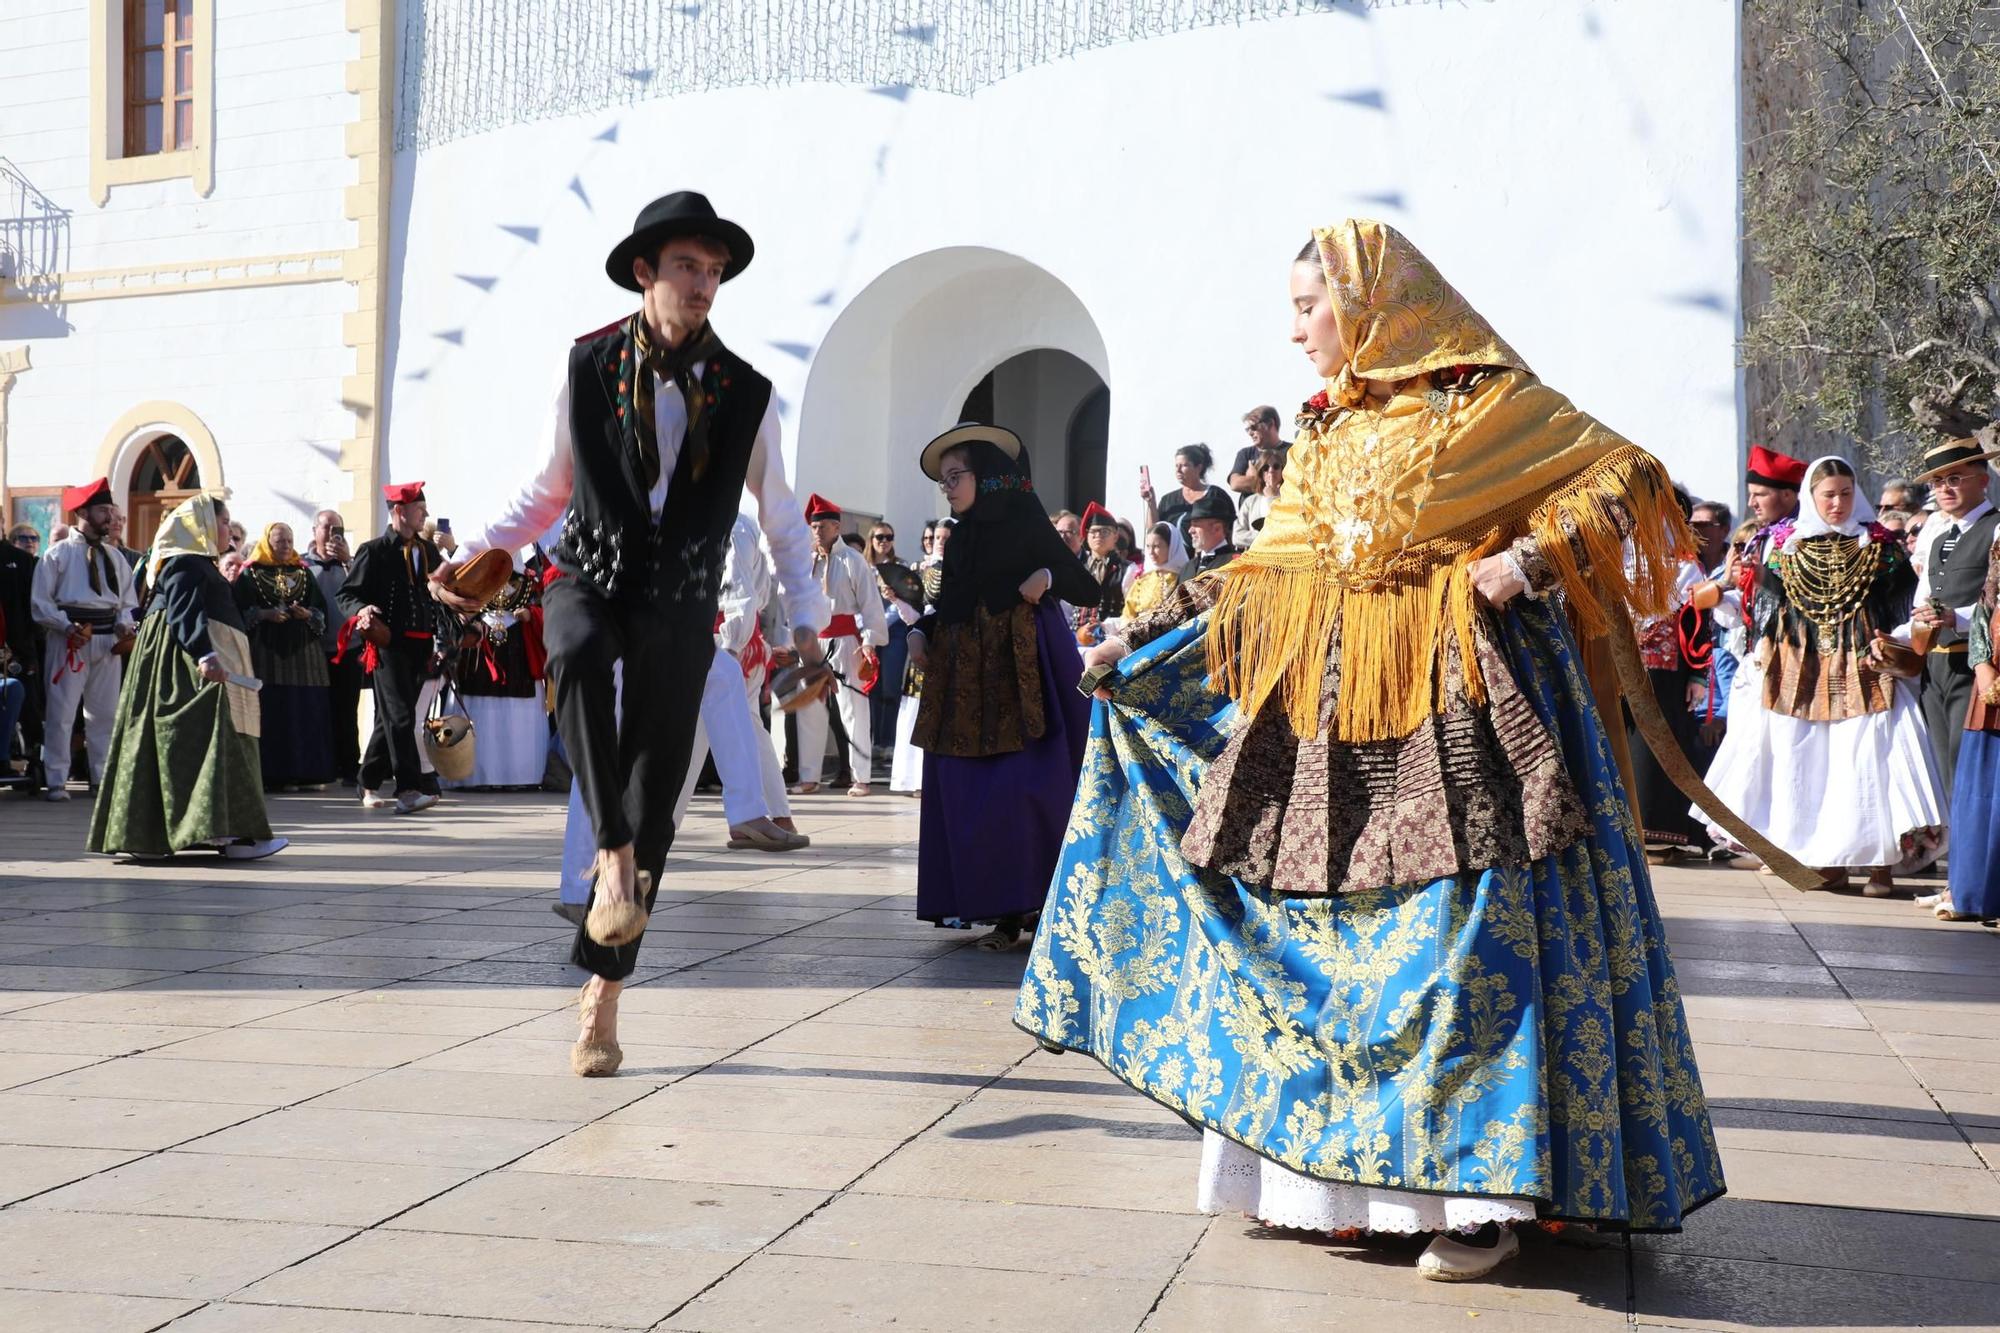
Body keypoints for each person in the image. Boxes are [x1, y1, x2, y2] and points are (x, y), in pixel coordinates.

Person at [1018, 220, 1722, 1281]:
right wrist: (1142, 631)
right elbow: (1265, 571)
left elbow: (1625, 477)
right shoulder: (1325, 434)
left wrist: (1526, 560)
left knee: (1460, 951)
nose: (1295, 329)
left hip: (1464, 705)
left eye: (1309, 305)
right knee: (1328, 949)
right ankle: (1325, 1182)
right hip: (1326, 716)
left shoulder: (1483, 404)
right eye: (1294, 309)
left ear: (1371, 302)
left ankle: (1475, 1202)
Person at [438, 191, 828, 1078]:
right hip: (591, 574)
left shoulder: (749, 393)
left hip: (681, 601)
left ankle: (601, 999)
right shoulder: (584, 365)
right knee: (568, 650)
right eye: (689, 266)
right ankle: (608, 849)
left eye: (716, 270)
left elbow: (779, 517)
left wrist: (806, 624)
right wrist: (471, 554)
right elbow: (544, 489)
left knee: (658, 796)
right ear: (646, 271)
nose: (706, 285)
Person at [1699, 457, 1943, 894]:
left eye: (1845, 494)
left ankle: (1880, 864)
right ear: (1811, 497)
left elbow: (1903, 610)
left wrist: (1895, 642)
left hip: (1864, 666)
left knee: (1868, 761)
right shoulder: (1784, 546)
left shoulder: (1880, 547)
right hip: (1801, 669)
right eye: (1828, 495)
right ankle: (1824, 858)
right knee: (1810, 765)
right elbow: (1767, 613)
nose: (1837, 503)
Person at [909, 423, 1094, 949]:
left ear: (986, 476)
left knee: (1025, 789)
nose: (947, 487)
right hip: (966, 678)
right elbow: (950, 605)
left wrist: (1048, 579)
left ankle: (1038, 905)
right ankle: (998, 908)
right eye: (943, 480)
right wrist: (923, 630)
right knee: (969, 790)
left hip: (1023, 672)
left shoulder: (1024, 524)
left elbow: (1086, 584)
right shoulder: (961, 537)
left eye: (955, 476)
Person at [87, 494, 285, 861]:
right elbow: (183, 611)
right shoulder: (186, 562)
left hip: (193, 663)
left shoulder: (196, 562)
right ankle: (225, 834)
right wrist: (205, 654)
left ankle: (218, 833)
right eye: (224, 522)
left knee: (207, 742)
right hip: (181, 668)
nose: (228, 529)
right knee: (207, 739)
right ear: (205, 526)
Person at [338, 481, 446, 815]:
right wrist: (361, 611)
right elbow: (347, 594)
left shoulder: (426, 550)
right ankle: (409, 790)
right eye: (419, 509)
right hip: (387, 645)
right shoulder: (373, 550)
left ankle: (366, 781)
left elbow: (441, 590)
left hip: (421, 646)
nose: (425, 514)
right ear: (399, 511)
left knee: (392, 720)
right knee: (400, 716)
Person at [1902, 436, 1999, 803]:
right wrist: (1896, 639)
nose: (1944, 488)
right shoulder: (1939, 535)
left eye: (1955, 478)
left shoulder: (1997, 528)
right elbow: (1923, 601)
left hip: (1977, 666)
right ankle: (1961, 857)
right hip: (1936, 667)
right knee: (1945, 772)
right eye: (1938, 481)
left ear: (1983, 479)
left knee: (1970, 768)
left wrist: (1954, 618)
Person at [30, 477, 138, 801]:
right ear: (84, 512)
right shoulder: (57, 554)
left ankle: (101, 777)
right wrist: (65, 627)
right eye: (103, 510)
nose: (110, 517)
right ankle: (56, 780)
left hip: (107, 643)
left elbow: (126, 603)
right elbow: (41, 603)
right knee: (62, 712)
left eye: (111, 511)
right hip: (70, 641)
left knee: (105, 714)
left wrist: (123, 625)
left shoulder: (115, 557)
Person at [783, 493, 886, 796]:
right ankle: (809, 776)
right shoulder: (804, 562)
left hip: (845, 640)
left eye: (824, 526)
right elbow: (791, 600)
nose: (818, 531)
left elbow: (870, 606)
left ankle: (862, 777)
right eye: (814, 527)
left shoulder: (853, 560)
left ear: (837, 528)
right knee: (810, 708)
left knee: (853, 709)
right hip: (814, 641)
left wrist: (869, 641)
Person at [235, 522, 335, 790]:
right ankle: (275, 775)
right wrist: (264, 614)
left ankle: (311, 772)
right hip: (267, 653)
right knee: (275, 710)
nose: (286, 546)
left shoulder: (303, 573)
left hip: (304, 654)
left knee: (307, 708)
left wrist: (308, 614)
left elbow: (320, 609)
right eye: (280, 541)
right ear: (268, 542)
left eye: (289, 541)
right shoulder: (251, 573)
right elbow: (239, 611)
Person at [1936, 521, 2000, 922]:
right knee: (1983, 795)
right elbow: (1985, 606)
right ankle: (1978, 894)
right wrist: (1982, 667)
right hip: (1994, 677)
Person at [446, 558, 551, 788]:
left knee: (517, 715)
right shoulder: (474, 575)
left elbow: (551, 608)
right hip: (481, 650)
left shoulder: (530, 580)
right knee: (481, 708)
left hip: (519, 652)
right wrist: (469, 620)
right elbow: (455, 606)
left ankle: (520, 776)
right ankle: (475, 774)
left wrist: (532, 614)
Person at [890, 517, 951, 798]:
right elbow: (915, 617)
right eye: (936, 537)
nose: (939, 542)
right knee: (914, 708)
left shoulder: (958, 571)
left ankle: (931, 779)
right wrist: (898, 600)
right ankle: (909, 778)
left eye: (945, 538)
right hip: (923, 643)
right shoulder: (918, 570)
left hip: (948, 645)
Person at [304, 509, 365, 787]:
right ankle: (322, 765)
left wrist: (348, 561)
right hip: (314, 649)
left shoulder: (350, 565)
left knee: (347, 709)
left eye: (336, 528)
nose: (331, 534)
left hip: (349, 647)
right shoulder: (303, 566)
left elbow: (365, 590)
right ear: (315, 530)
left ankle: (350, 767)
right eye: (326, 528)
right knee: (318, 709)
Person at [866, 520, 914, 771]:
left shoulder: (900, 567)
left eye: (889, 537)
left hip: (893, 633)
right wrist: (867, 631)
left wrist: (879, 626)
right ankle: (874, 743)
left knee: (890, 687)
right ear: (871, 540)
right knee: (872, 688)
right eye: (880, 537)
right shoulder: (865, 568)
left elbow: (902, 602)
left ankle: (888, 743)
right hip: (869, 635)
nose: (885, 542)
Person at [1143, 443, 1234, 550]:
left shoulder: (1216, 495)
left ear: (1198, 468)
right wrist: (1151, 502)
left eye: (1184, 465)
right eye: (1176, 466)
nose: (1178, 470)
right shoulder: (1168, 500)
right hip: (1175, 563)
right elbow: (1154, 531)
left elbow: (1229, 530)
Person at [1118, 521, 1185, 620]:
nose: (1151, 552)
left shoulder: (1183, 577)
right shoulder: (1143, 579)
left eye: (1156, 546)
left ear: (1171, 547)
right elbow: (1128, 613)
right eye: (1148, 546)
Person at [1076, 503, 1125, 634]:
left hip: (1111, 638)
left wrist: (1103, 626)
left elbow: (1131, 613)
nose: (1098, 535)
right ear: (1086, 536)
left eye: (1104, 531)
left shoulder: (1127, 569)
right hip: (1076, 638)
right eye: (1093, 531)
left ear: (1115, 536)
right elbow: (1067, 609)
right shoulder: (1077, 567)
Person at [1227, 404, 1289, 495]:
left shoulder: (1292, 451)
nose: (1250, 433)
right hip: (1252, 508)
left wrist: (1253, 476)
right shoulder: (1245, 454)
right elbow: (1235, 484)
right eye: (1247, 430)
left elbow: (1296, 482)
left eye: (1253, 427)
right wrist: (1275, 478)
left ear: (1270, 424)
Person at [1233, 446, 1286, 548]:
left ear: (1282, 470)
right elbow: (1237, 537)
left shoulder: (1292, 498)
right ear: (1261, 472)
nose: (1271, 471)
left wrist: (1272, 497)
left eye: (1276, 466)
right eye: (1266, 468)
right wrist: (1264, 537)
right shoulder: (1250, 502)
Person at [1183, 490, 1239, 576]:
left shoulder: (1235, 564)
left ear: (1217, 528)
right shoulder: (1187, 568)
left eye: (1196, 525)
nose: (1190, 530)